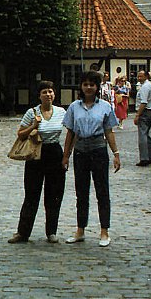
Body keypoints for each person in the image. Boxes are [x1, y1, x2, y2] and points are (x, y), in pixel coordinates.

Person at [61, 71, 121, 247]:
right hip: (80, 151)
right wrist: (66, 156)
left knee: (102, 192)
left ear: (97, 87)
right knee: (81, 193)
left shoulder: (105, 107)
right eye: (85, 84)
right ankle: (80, 230)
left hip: (98, 150)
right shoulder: (74, 107)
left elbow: (109, 131)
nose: (88, 87)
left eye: (92, 84)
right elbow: (70, 133)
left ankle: (104, 231)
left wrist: (116, 153)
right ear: (81, 86)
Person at [8, 80, 67, 244]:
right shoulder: (31, 112)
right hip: (36, 154)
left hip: (54, 152)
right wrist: (34, 125)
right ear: (39, 95)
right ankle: (23, 232)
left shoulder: (61, 112)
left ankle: (51, 232)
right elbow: (20, 134)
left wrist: (66, 155)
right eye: (44, 92)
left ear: (54, 94)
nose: (48, 95)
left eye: (50, 91)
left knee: (54, 194)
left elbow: (71, 131)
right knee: (31, 194)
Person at [133, 69, 151, 166]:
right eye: (138, 76)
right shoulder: (149, 85)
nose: (139, 78)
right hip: (150, 111)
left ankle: (144, 158)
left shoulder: (145, 87)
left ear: (146, 76)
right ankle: (150, 157)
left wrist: (137, 115)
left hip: (145, 112)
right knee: (146, 135)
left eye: (141, 76)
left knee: (142, 134)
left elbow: (143, 102)